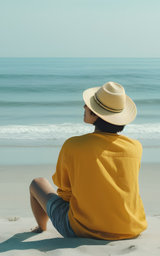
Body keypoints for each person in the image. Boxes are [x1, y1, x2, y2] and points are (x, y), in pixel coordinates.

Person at [29, 81, 147, 240]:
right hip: (130, 228)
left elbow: (64, 191)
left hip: (82, 230)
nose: (84, 107)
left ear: (95, 115)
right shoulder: (135, 147)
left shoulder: (74, 145)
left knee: (37, 183)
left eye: (88, 106)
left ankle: (41, 228)